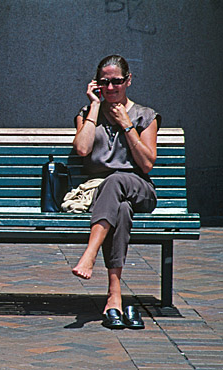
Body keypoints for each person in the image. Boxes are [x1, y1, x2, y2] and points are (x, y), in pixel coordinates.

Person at [71, 55, 160, 329]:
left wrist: (127, 125)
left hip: (139, 189)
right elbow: (83, 150)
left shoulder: (145, 115)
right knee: (120, 209)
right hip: (106, 198)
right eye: (104, 83)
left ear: (128, 80)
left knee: (118, 179)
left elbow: (146, 163)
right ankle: (114, 296)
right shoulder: (88, 114)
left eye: (117, 82)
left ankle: (90, 253)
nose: (111, 88)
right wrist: (95, 108)